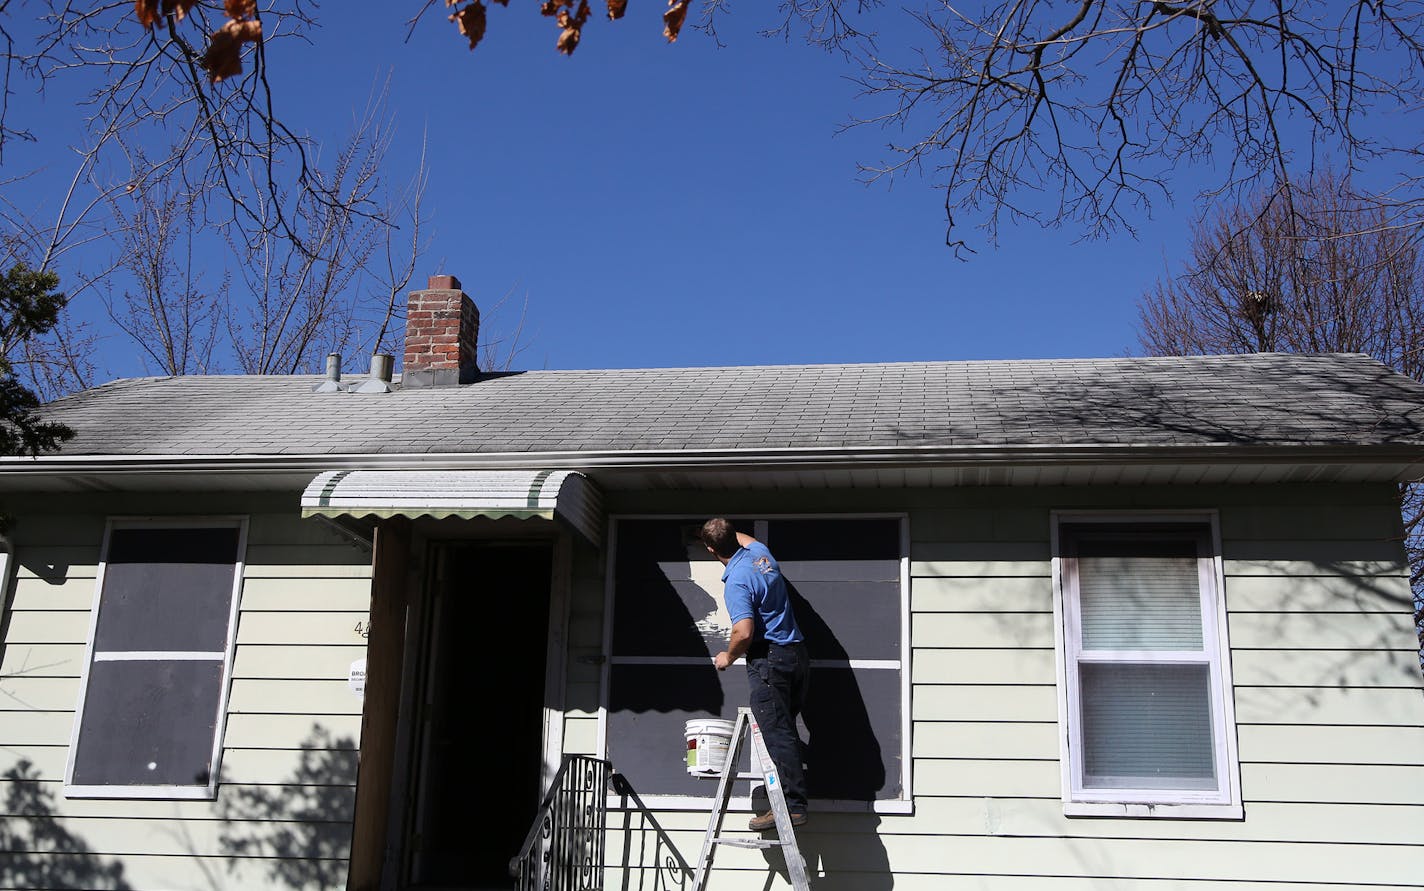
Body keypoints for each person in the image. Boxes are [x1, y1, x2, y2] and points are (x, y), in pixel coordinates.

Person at [699, 518, 810, 831]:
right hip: (797, 654)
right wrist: (723, 532)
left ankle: (792, 806)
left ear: (710, 550)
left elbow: (744, 632)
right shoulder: (762, 555)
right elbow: (741, 538)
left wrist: (728, 655)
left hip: (769, 660)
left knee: (777, 733)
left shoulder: (736, 581)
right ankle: (786, 787)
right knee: (784, 730)